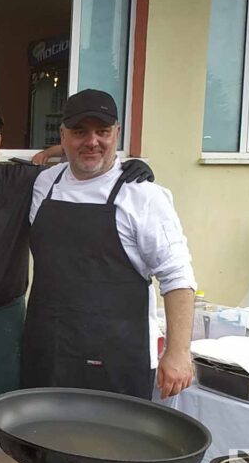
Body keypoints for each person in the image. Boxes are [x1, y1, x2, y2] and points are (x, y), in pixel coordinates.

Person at [0, 106, 154, 436]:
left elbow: (81, 164)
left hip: (8, 322)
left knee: (7, 411)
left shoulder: (26, 180)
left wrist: (126, 167)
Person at [24, 88, 195, 400]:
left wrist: (178, 352)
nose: (92, 142)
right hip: (47, 355)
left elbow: (178, 277)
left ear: (116, 133)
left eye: (102, 131)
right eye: (79, 132)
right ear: (63, 136)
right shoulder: (45, 183)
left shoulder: (143, 195)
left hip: (116, 363)